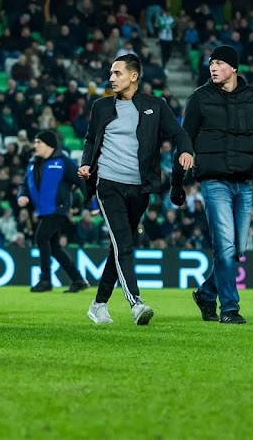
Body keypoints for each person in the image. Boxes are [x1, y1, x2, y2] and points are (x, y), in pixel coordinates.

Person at [172, 45, 253, 324]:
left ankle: (206, 294)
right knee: (226, 247)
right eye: (211, 63)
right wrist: (177, 182)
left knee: (237, 251)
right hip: (213, 181)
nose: (213, 67)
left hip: (243, 183)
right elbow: (184, 140)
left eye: (219, 62)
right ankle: (229, 308)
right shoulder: (199, 98)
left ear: (233, 68)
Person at [78, 53, 194, 326]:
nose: (111, 78)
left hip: (140, 188)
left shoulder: (155, 105)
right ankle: (136, 303)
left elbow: (178, 134)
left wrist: (186, 150)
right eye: (110, 73)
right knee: (124, 244)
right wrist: (86, 164)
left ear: (134, 76)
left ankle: (98, 305)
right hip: (108, 184)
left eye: (117, 73)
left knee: (119, 247)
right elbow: (90, 140)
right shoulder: (101, 106)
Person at [18, 130, 90, 294]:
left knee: (41, 237)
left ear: (49, 145)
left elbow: (81, 181)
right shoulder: (33, 163)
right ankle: (78, 280)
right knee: (54, 247)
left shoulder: (64, 162)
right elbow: (24, 184)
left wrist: (91, 204)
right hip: (43, 211)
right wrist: (22, 196)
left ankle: (45, 280)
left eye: (38, 142)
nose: (35, 145)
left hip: (58, 209)